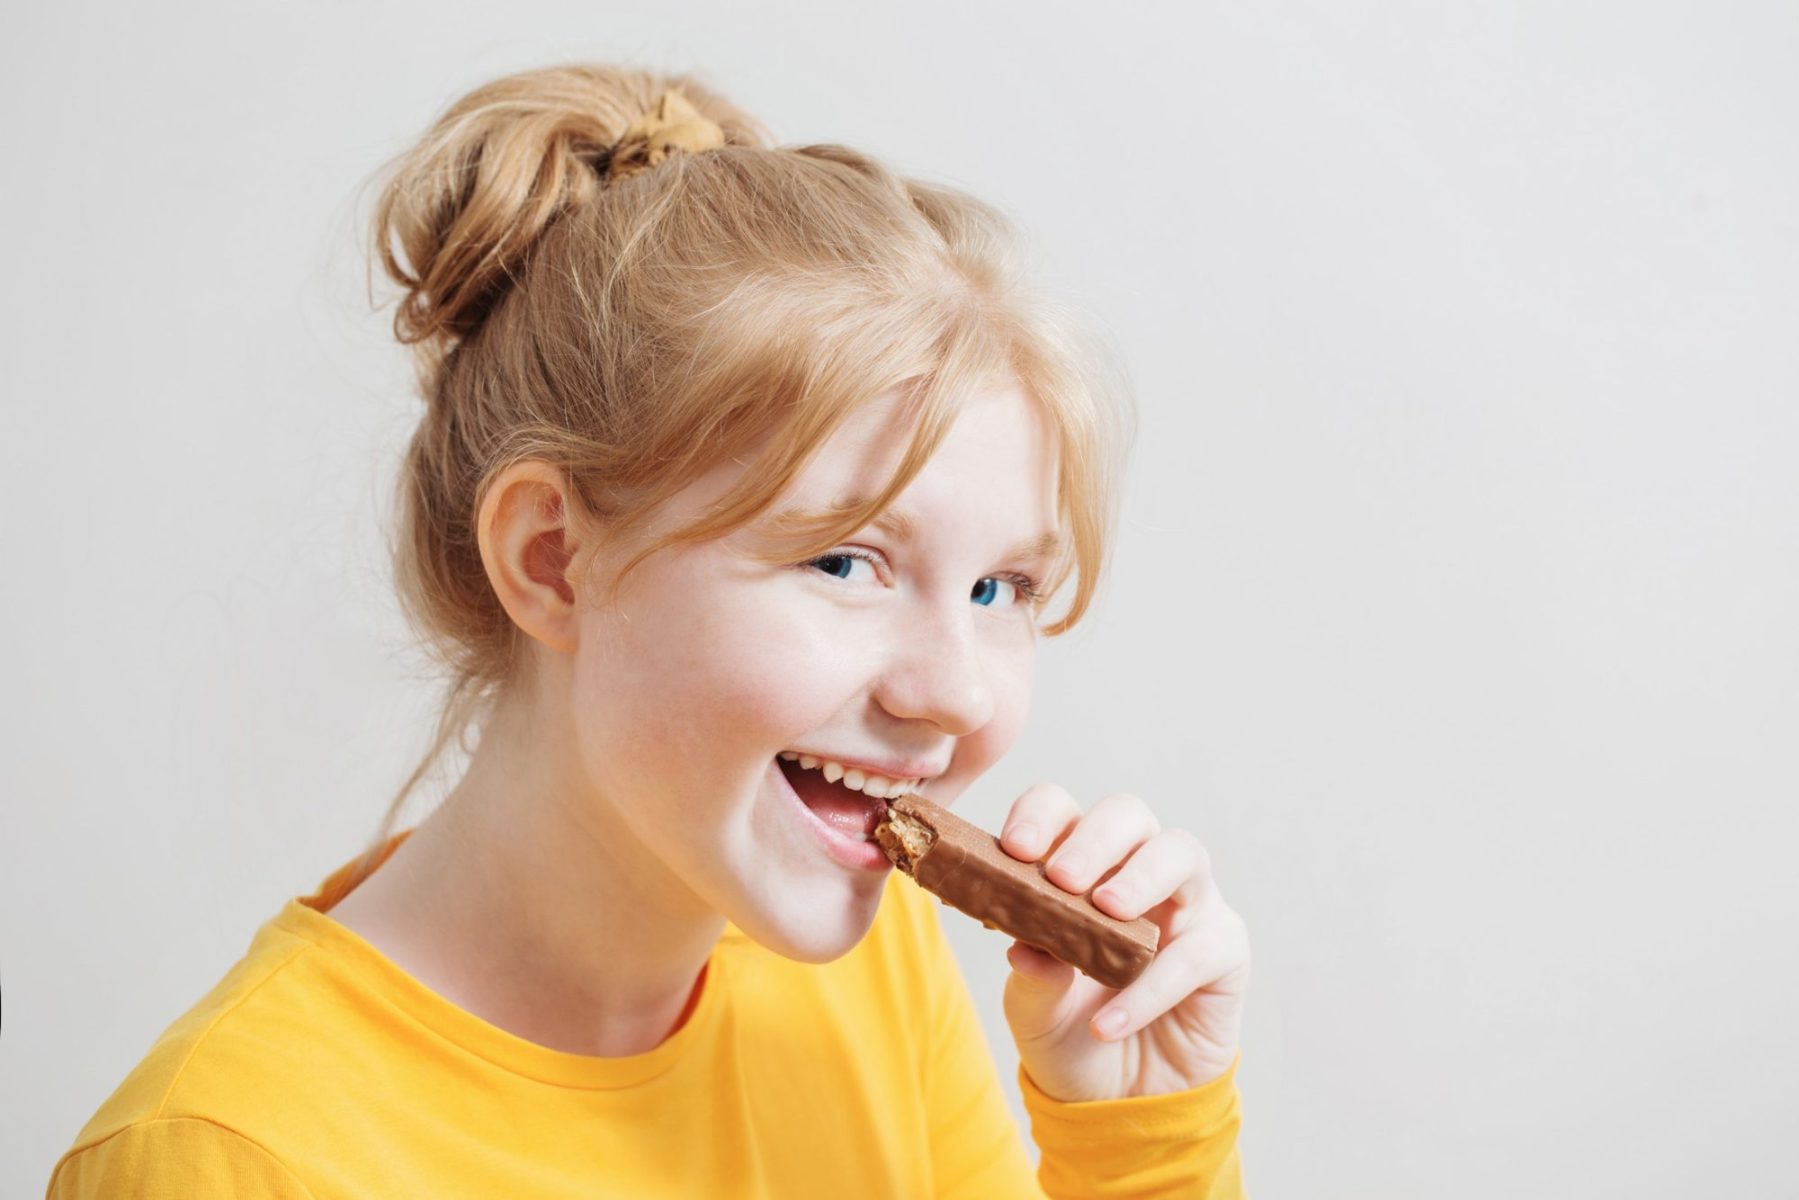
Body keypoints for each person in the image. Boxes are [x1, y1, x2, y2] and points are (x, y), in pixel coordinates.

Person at [45, 63, 1251, 1198]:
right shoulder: (231, 1158)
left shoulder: (863, 975)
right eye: (845, 561)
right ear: (551, 561)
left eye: (1000, 591)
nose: (963, 697)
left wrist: (1142, 1138)